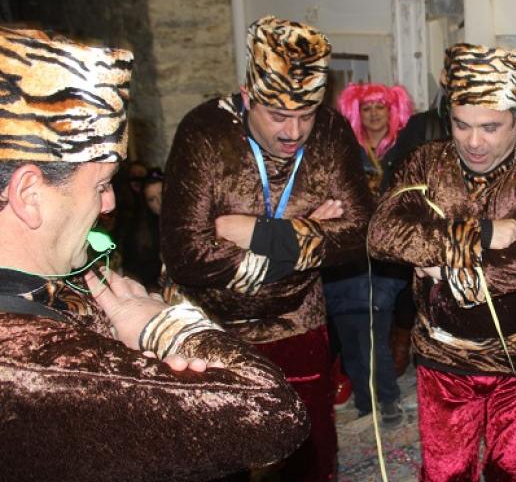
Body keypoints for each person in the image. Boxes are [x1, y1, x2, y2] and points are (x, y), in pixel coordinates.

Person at [0, 27, 308, 481]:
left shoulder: (55, 288)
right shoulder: (32, 361)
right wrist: (163, 325)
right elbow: (275, 413)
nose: (109, 204)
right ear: (29, 193)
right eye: (101, 185)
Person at [160, 16, 372, 481]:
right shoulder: (204, 131)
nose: (294, 131)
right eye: (278, 115)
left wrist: (259, 234)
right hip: (211, 327)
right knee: (219, 457)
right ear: (247, 96)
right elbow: (187, 255)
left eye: (306, 115)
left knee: (307, 453)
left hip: (297, 320)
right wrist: (310, 235)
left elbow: (359, 234)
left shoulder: (331, 131)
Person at [368, 43, 516, 481]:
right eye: (461, 125)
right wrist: (481, 233)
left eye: (490, 127)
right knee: (445, 471)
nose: (473, 142)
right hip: (444, 354)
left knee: (513, 470)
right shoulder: (426, 161)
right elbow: (382, 234)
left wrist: (444, 269)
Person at [324, 82, 413, 425]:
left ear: (392, 111)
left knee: (375, 332)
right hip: (346, 255)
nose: (374, 114)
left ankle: (386, 399)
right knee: (350, 334)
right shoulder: (346, 150)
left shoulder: (403, 148)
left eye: (380, 107)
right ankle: (365, 400)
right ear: (356, 113)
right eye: (367, 108)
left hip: (384, 256)